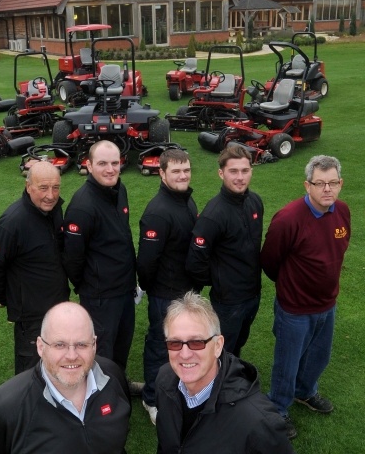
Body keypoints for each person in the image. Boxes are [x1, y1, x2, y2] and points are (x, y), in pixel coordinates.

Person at [261, 155, 350, 440]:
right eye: (320, 183)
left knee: (319, 356)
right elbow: (270, 261)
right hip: (295, 308)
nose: (328, 189)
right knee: (287, 361)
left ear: (340, 183)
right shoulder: (288, 219)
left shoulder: (343, 212)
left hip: (327, 304)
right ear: (307, 185)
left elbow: (339, 249)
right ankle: (278, 408)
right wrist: (291, 287)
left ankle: (305, 392)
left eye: (333, 182)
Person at [0, 301, 131, 454]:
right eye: (59, 345)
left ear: (94, 345)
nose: (72, 356)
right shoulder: (4, 411)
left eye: (81, 344)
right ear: (40, 347)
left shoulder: (112, 376)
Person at [155, 291, 295, 454]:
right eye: (175, 343)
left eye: (197, 342)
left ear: (218, 345)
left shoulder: (258, 421)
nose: (185, 354)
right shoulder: (164, 380)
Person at [0, 161, 69, 374]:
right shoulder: (11, 223)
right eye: (43, 188)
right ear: (28, 187)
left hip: (57, 306)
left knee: (58, 362)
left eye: (55, 187)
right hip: (31, 316)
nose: (50, 195)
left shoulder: (54, 211)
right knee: (31, 371)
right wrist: (5, 297)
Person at [63, 140, 137, 374]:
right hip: (101, 296)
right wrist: (91, 285)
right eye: (103, 163)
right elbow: (73, 259)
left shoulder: (119, 190)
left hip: (124, 290)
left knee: (121, 346)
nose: (110, 169)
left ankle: (118, 388)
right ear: (89, 165)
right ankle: (102, 403)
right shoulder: (82, 206)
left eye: (115, 163)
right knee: (102, 353)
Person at [137, 148, 198, 424]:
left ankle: (178, 388)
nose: (182, 175)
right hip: (165, 295)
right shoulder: (158, 212)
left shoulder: (187, 200)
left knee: (183, 346)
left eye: (186, 170)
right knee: (160, 347)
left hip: (186, 292)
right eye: (176, 171)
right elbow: (147, 262)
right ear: (162, 174)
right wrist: (151, 289)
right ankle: (151, 398)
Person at [186, 144, 264, 357]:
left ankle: (232, 379)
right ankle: (220, 387)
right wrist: (219, 281)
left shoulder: (255, 202)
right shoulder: (214, 214)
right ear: (221, 173)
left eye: (245, 171)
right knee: (222, 351)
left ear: (251, 171)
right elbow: (195, 260)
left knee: (238, 344)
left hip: (253, 293)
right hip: (228, 300)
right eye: (233, 171)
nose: (240, 177)